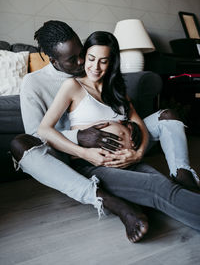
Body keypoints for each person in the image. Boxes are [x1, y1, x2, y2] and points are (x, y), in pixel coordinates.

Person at [10, 21, 199, 241]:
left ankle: (183, 176)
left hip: (124, 154)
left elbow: (129, 113)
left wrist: (135, 138)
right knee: (158, 188)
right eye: (73, 59)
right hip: (82, 155)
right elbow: (38, 133)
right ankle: (108, 200)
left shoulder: (105, 80)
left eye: (83, 53)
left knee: (163, 168)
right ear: (54, 61)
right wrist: (81, 140)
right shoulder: (38, 83)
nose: (82, 62)